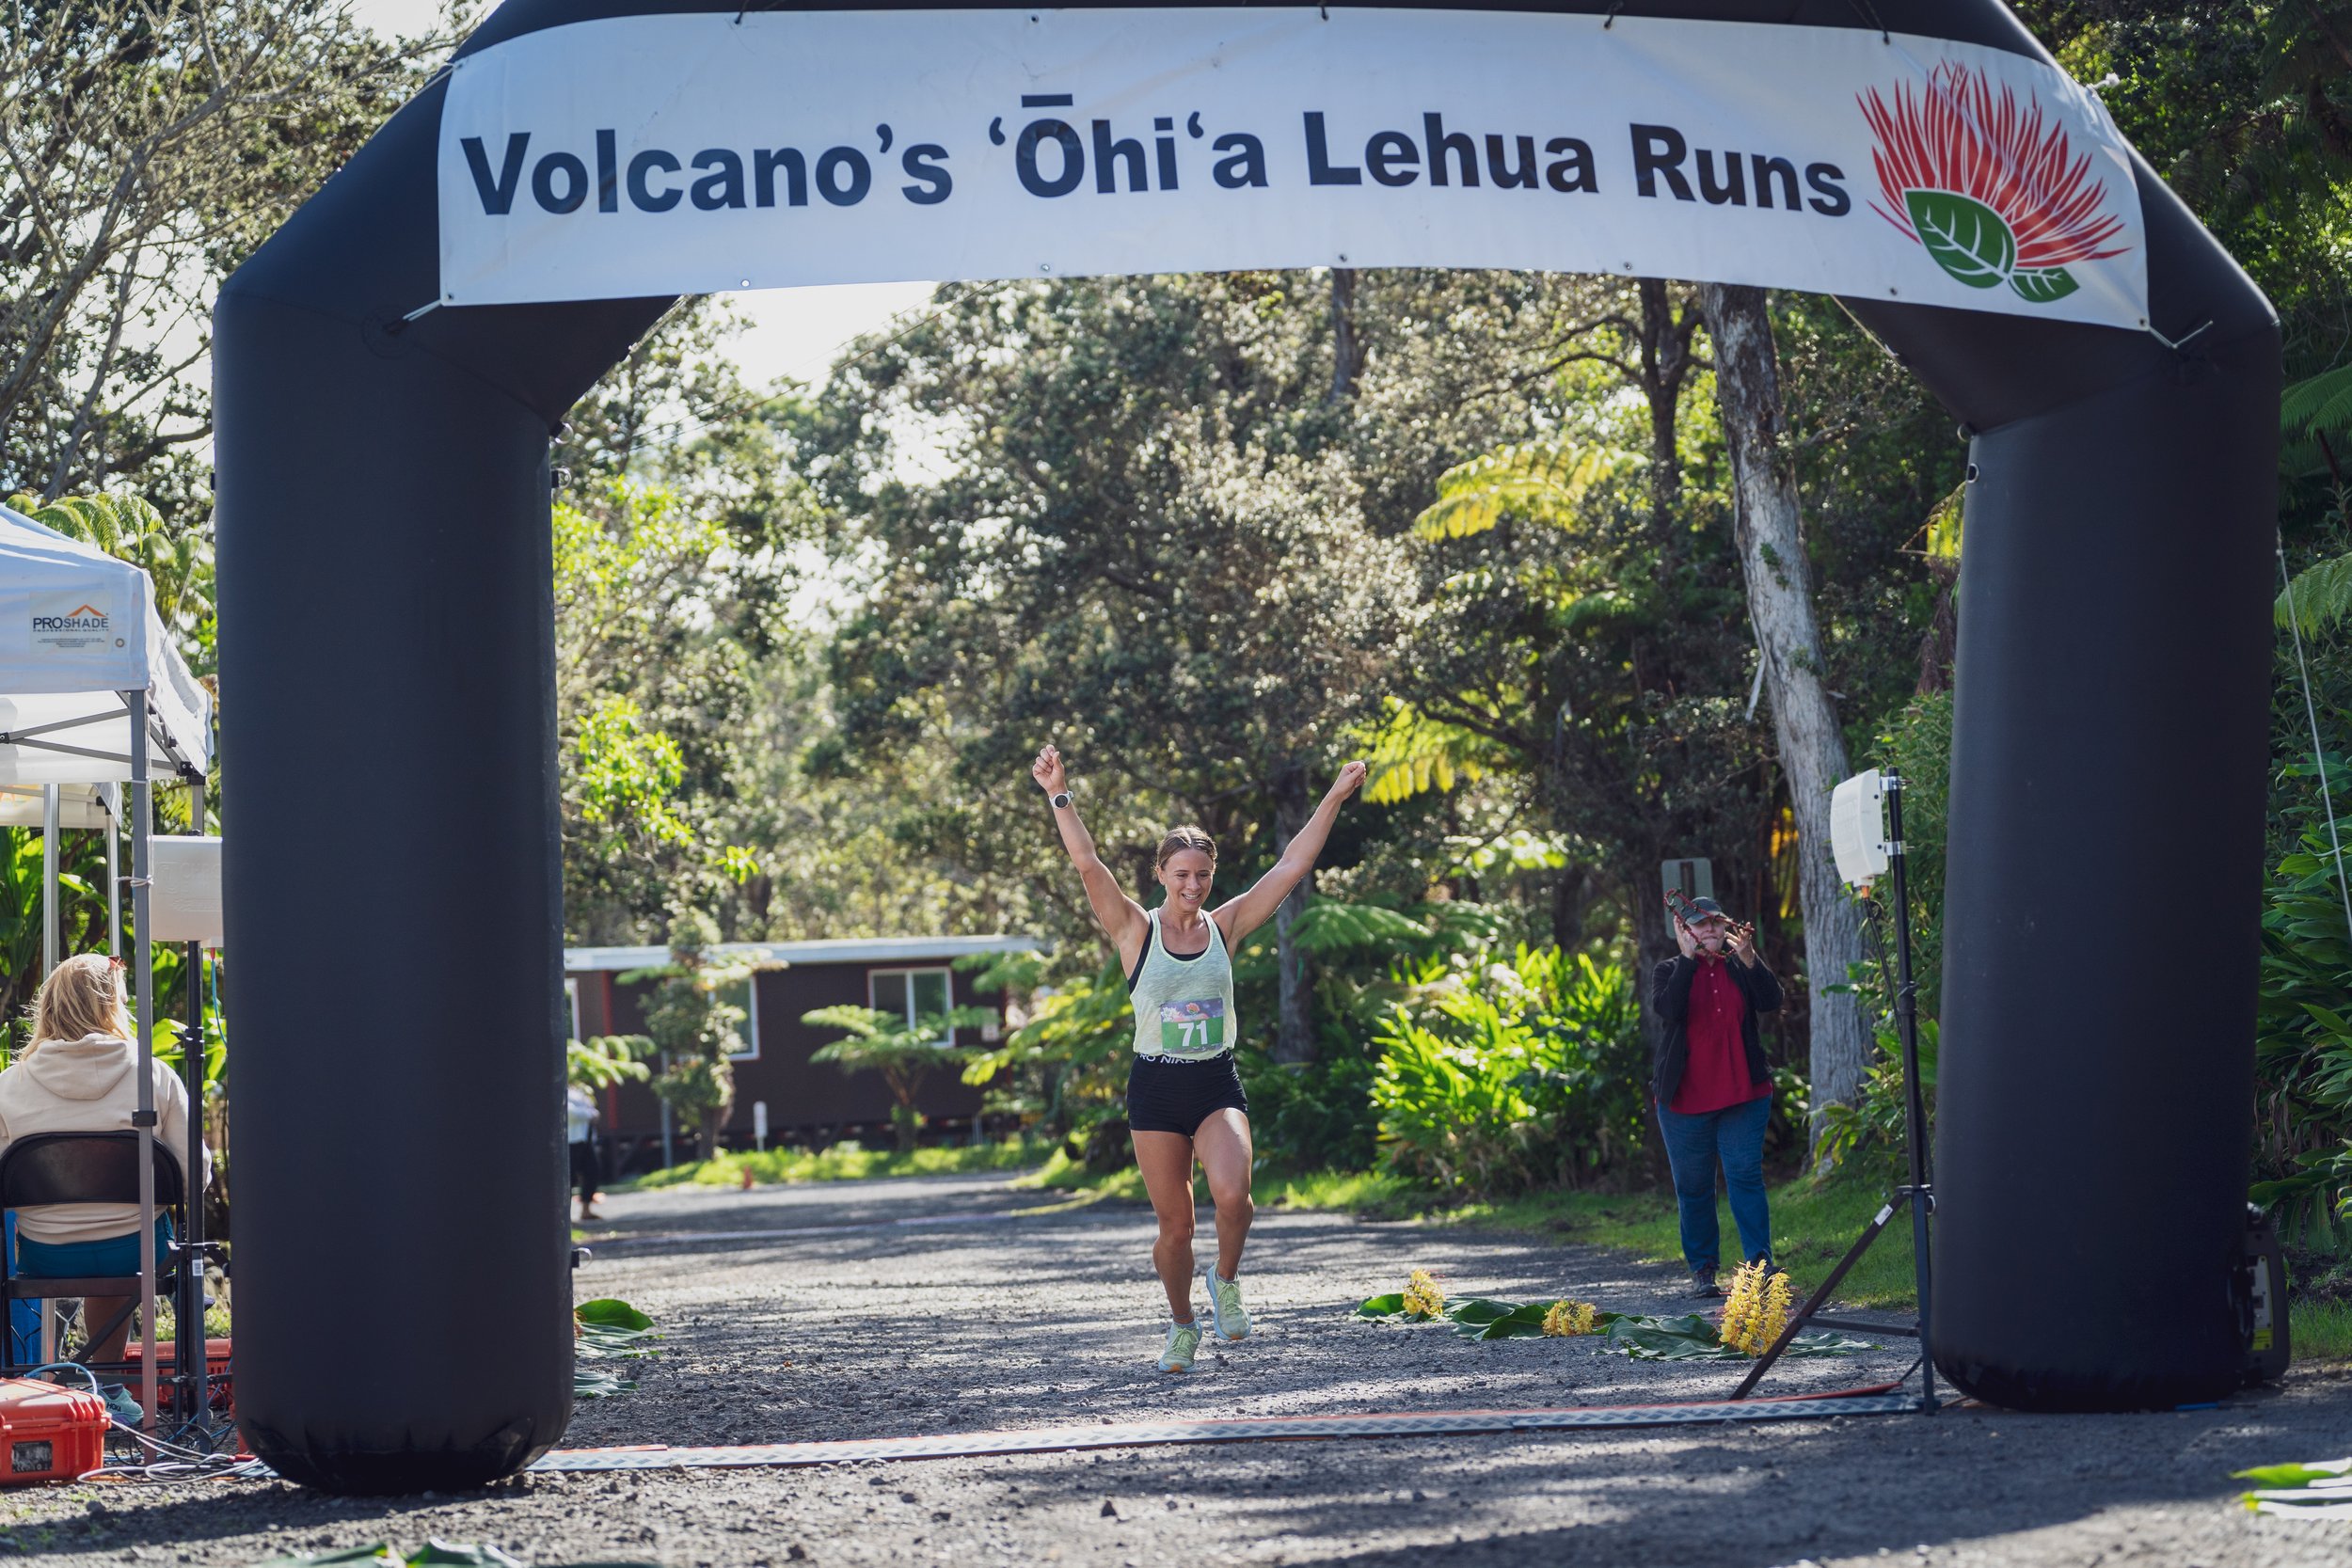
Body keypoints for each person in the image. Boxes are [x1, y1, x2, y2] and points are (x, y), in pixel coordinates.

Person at [1032, 743, 1368, 1372]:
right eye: (1181, 873)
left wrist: (1335, 797)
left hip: (1215, 1082)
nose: (1193, 884)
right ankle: (1182, 1323)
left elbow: (1292, 865)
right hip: (1156, 1090)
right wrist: (1060, 793)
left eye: (1203, 874)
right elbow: (1087, 864)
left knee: (1236, 1195)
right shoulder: (1136, 930)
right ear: (1161, 873)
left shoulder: (1227, 925)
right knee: (1176, 1229)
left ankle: (1227, 1281)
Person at [0, 954, 211, 1399]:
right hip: (138, 1255)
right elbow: (194, 1175)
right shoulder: (153, 1075)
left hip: (44, 1257)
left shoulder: (9, 1085)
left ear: (49, 1007)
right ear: (113, 1007)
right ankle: (112, 1388)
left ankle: (42, 1386)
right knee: (136, 1231)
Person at [1650, 895, 1783, 1298]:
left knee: (1744, 1176)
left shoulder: (1741, 966)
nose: (1709, 931)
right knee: (1693, 1186)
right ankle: (1704, 1271)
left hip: (1744, 1094)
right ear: (1684, 930)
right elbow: (1669, 1010)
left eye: (1715, 924)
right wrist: (1689, 960)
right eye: (1699, 924)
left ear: (1727, 928)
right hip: (1684, 1101)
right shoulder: (1669, 970)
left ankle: (1759, 1268)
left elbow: (1771, 1001)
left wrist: (1750, 958)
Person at [566, 1082, 604, 1222]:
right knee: (569, 1178)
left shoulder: (580, 1093)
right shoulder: (562, 1092)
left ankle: (586, 1210)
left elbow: (593, 1110)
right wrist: (588, 1115)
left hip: (586, 1139)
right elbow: (569, 1113)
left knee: (592, 1171)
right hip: (571, 1141)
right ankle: (565, 1215)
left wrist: (588, 1113)